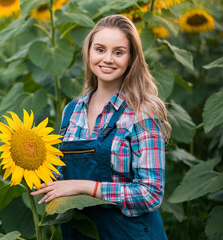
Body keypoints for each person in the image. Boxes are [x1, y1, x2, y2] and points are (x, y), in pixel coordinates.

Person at [30, 14, 171, 240]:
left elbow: (150, 193)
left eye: (118, 52)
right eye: (100, 49)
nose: (108, 59)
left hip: (129, 234)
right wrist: (31, 168)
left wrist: (86, 187)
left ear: (131, 58)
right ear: (88, 53)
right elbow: (63, 174)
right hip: (80, 232)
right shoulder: (72, 110)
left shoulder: (142, 113)